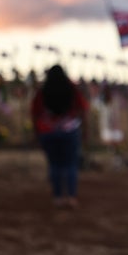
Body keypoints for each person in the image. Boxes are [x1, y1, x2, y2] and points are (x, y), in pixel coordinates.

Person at [31, 64, 89, 208]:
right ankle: (71, 197)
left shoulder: (42, 91)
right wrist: (85, 130)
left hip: (47, 132)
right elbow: (83, 110)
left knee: (54, 165)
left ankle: (57, 197)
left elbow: (35, 114)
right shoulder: (72, 89)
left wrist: (36, 134)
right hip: (70, 132)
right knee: (70, 165)